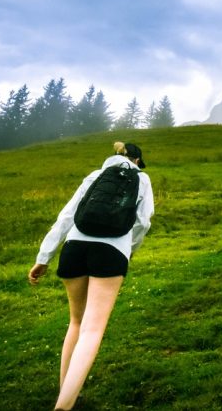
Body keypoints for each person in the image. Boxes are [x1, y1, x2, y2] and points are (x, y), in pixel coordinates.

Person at [28, 141, 155, 411]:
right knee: (92, 329)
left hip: (74, 248)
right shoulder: (142, 179)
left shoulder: (95, 175)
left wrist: (43, 258)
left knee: (75, 323)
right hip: (111, 251)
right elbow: (143, 222)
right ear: (136, 160)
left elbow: (66, 216)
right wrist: (129, 250)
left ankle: (67, 394)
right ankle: (64, 406)